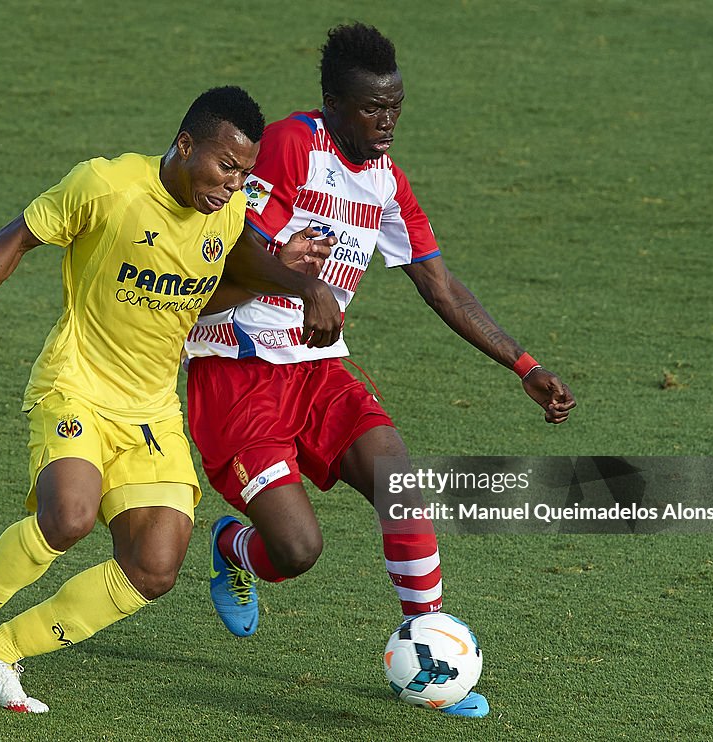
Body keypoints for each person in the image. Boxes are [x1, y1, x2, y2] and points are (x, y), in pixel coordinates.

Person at [0, 86, 341, 720]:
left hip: (152, 409)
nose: (233, 184)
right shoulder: (107, 186)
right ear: (185, 145)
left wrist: (278, 271)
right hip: (76, 383)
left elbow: (195, 297)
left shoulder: (226, 212)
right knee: (69, 516)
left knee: (154, 568)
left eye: (244, 172)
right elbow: (18, 236)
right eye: (224, 166)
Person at [185, 25, 577, 719]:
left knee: (403, 485)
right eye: (372, 108)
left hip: (316, 372)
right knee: (298, 550)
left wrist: (524, 363)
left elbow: (441, 286)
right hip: (238, 371)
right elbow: (236, 242)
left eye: (395, 105)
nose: (387, 120)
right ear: (333, 103)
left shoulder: (387, 180)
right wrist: (306, 288)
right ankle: (231, 546)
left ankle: (431, 658)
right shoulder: (290, 143)